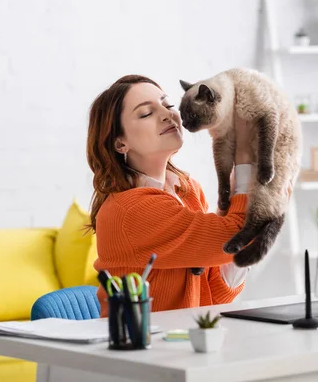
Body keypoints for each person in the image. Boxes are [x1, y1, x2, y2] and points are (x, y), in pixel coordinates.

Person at [86, 74, 256, 317]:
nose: (167, 114)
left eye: (168, 105)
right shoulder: (131, 210)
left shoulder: (187, 190)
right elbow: (239, 237)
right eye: (146, 113)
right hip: (142, 348)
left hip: (185, 341)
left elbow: (215, 292)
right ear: (120, 143)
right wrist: (247, 168)